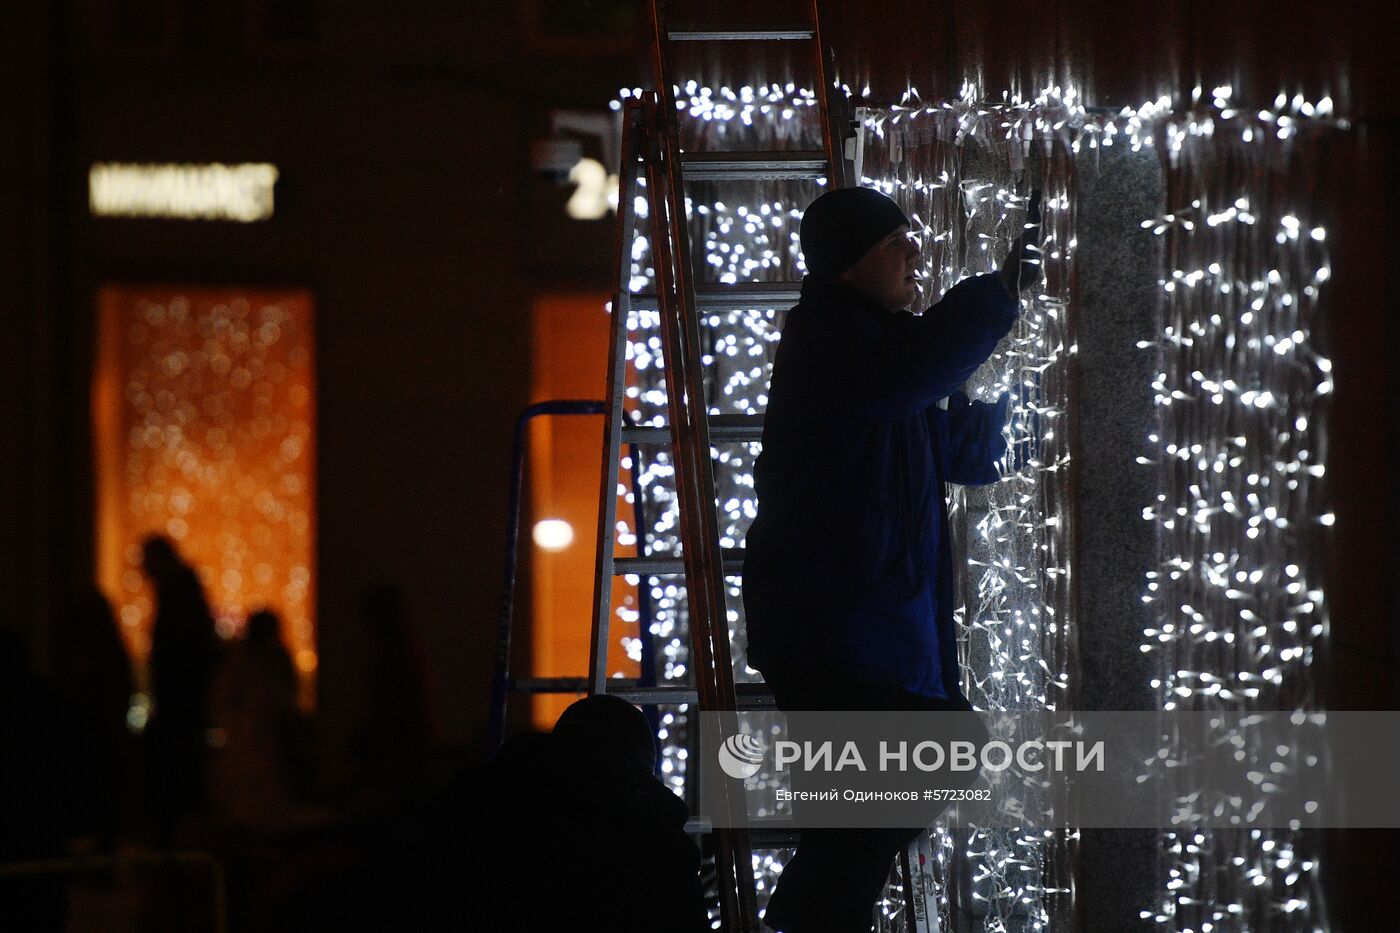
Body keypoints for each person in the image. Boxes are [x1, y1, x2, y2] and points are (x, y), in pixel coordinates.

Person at [742, 186, 1040, 932]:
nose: (914, 254)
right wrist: (997, 295)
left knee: (875, 809)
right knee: (871, 812)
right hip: (838, 634)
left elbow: (964, 450)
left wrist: (1039, 391)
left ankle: (804, 920)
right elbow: (907, 377)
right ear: (847, 268)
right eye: (892, 245)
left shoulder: (882, 349)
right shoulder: (830, 339)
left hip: (872, 636)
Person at [141, 533, 220, 844]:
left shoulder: (179, 601)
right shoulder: (184, 597)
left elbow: (182, 663)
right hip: (183, 713)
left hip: (179, 713)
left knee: (176, 793)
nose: (143, 570)